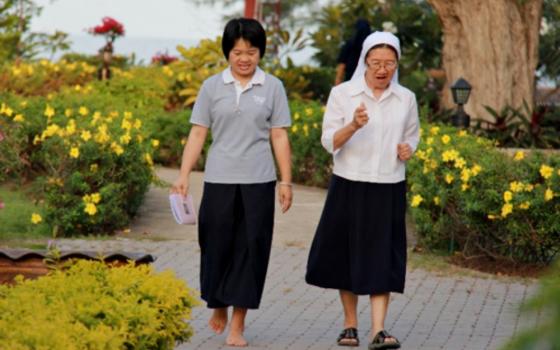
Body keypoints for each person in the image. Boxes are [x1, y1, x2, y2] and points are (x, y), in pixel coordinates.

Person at [171, 18, 293, 347]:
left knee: (250, 250)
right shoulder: (212, 87)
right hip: (219, 179)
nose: (244, 58)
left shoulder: (272, 87)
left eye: (251, 52)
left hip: (258, 181)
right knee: (215, 244)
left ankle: (237, 324)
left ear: (260, 53)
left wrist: (286, 181)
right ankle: (218, 303)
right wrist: (183, 175)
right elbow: (198, 132)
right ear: (228, 52)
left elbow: (279, 135)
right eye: (238, 52)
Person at [306, 31, 419, 350]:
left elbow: (413, 135)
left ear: (397, 64)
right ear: (365, 61)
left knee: (382, 257)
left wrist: (408, 148)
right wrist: (354, 125)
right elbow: (329, 142)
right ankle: (350, 326)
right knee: (348, 256)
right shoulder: (343, 94)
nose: (383, 69)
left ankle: (379, 331)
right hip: (349, 183)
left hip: (389, 186)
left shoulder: (406, 98)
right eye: (376, 63)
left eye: (390, 63)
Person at [334, 19, 371, 86]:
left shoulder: (349, 44)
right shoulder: (372, 46)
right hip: (368, 80)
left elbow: (342, 64)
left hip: (350, 79)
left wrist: (338, 80)